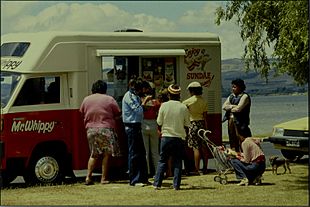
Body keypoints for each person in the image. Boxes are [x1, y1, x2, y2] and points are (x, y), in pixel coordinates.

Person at [80, 80, 121, 185]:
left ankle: (88, 177)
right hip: (106, 129)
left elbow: (81, 112)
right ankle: (103, 178)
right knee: (106, 155)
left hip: (91, 130)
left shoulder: (86, 99)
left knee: (94, 154)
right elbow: (117, 113)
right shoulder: (109, 99)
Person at [153, 84, 190, 190]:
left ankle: (157, 184)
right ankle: (176, 185)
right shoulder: (183, 107)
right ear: (179, 95)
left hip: (166, 136)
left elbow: (159, 122)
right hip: (179, 137)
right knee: (178, 161)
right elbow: (187, 124)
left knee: (162, 160)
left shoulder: (164, 106)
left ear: (169, 94)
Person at [122, 78, 152, 187]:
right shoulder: (129, 96)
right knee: (134, 154)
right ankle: (134, 179)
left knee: (141, 153)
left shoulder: (135, 96)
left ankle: (143, 178)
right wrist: (145, 102)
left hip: (137, 126)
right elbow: (138, 110)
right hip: (131, 126)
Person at [182, 81, 209, 175]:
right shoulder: (204, 101)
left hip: (192, 123)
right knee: (204, 147)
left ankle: (196, 169)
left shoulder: (188, 102)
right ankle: (205, 167)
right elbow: (205, 117)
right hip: (201, 123)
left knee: (195, 147)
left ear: (191, 91)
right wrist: (206, 128)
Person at [222, 78, 252, 152]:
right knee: (232, 138)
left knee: (243, 138)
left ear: (240, 87)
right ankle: (235, 155)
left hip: (241, 122)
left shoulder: (245, 96)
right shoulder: (231, 96)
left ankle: (246, 155)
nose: (232, 89)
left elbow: (238, 109)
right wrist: (233, 106)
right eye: (232, 87)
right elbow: (224, 106)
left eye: (234, 87)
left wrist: (230, 107)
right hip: (231, 120)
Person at [141, 81, 161, 177]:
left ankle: (147, 171)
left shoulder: (141, 100)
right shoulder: (156, 102)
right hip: (154, 124)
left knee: (145, 151)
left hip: (143, 123)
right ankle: (157, 171)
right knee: (155, 151)